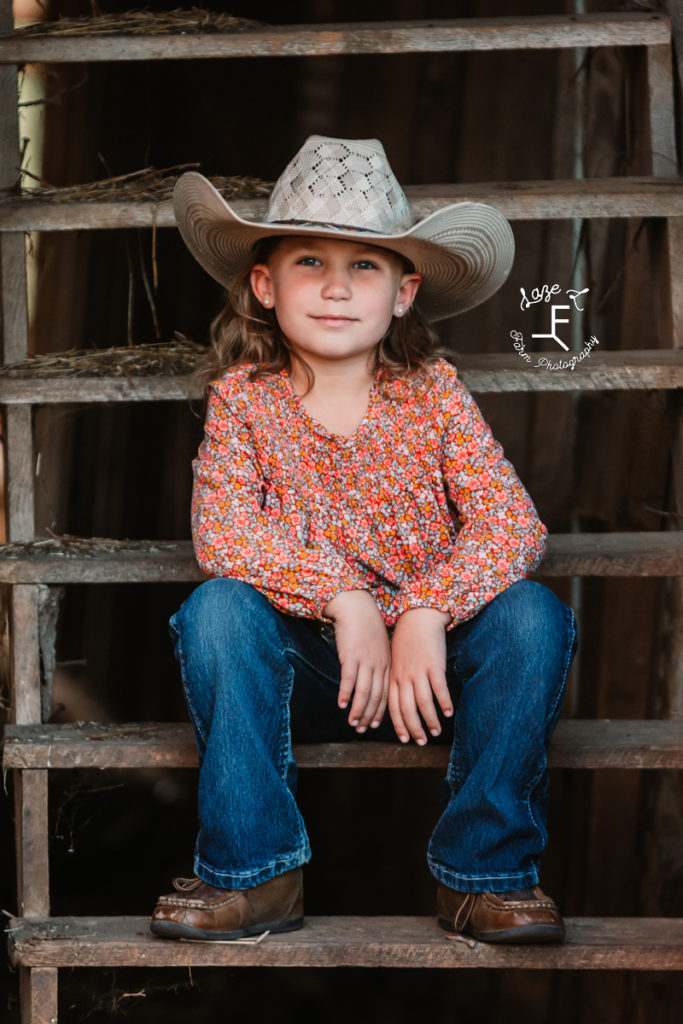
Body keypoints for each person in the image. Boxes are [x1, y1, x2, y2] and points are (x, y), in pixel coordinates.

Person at [150, 136, 577, 946]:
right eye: (309, 262)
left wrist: (423, 608)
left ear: (404, 292)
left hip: (434, 675)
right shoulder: (243, 401)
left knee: (532, 618)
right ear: (264, 285)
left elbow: (511, 523)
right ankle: (256, 872)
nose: (338, 287)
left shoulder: (432, 396)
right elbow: (226, 532)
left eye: (367, 266)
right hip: (307, 670)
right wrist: (341, 596)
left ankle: (483, 877)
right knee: (217, 611)